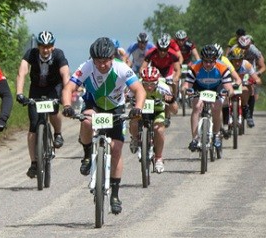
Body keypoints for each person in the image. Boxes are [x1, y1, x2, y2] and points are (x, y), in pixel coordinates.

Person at [60, 37, 146, 214]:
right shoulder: (86, 67)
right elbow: (68, 88)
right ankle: (86, 155)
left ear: (112, 58)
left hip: (116, 109)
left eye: (105, 61)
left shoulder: (122, 68)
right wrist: (67, 106)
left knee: (116, 149)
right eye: (98, 61)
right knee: (86, 120)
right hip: (94, 106)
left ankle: (114, 195)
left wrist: (137, 108)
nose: (102, 65)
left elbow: (139, 90)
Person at [15, 30, 70, 178]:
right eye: (42, 46)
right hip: (36, 89)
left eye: (48, 46)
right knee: (33, 126)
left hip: (54, 87)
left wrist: (66, 96)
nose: (45, 49)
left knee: (53, 111)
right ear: (38, 46)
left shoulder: (58, 54)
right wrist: (19, 93)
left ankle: (58, 133)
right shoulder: (31, 54)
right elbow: (22, 72)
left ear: (53, 46)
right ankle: (34, 163)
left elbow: (65, 74)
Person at [182, 44, 234, 152]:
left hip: (217, 88)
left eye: (211, 61)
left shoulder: (223, 68)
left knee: (216, 107)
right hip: (199, 87)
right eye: (205, 61)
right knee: (196, 107)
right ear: (202, 60)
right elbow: (186, 85)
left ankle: (216, 135)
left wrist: (227, 92)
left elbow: (229, 88)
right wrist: (186, 90)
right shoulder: (195, 67)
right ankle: (195, 138)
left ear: (216, 60)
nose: (208, 64)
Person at [128, 66, 175, 173]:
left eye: (152, 84)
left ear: (157, 82)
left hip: (157, 111)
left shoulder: (164, 88)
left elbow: (175, 110)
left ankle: (158, 158)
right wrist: (128, 98)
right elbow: (127, 96)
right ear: (142, 81)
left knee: (159, 130)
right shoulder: (137, 85)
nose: (149, 87)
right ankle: (135, 139)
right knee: (133, 121)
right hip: (141, 111)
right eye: (146, 84)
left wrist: (171, 101)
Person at [231, 34, 266, 126]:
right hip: (234, 70)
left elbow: (263, 66)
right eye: (241, 47)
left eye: (246, 47)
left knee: (251, 89)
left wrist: (256, 76)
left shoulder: (254, 50)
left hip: (249, 70)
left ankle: (248, 114)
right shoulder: (233, 50)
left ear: (249, 45)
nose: (244, 49)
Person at [226, 46, 262, 128]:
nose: (237, 63)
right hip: (229, 85)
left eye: (239, 60)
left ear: (242, 59)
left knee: (249, 89)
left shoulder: (247, 65)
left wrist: (253, 81)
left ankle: (246, 107)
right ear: (231, 60)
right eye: (235, 60)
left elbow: (258, 80)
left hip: (242, 86)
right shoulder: (227, 65)